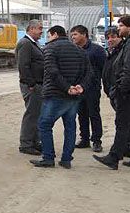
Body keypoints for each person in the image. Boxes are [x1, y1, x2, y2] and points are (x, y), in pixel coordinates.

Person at [94, 15, 130, 170]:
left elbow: (129, 70)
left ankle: (114, 157)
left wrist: (120, 90)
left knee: (123, 124)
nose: (118, 28)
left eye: (120, 26)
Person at [30, 25, 91, 169]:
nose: (48, 38)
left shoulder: (50, 49)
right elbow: (89, 72)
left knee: (44, 125)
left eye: (49, 35)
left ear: (55, 34)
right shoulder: (79, 50)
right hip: (74, 96)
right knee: (70, 126)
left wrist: (66, 87)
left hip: (55, 94)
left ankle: (48, 158)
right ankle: (66, 159)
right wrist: (81, 86)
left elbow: (52, 71)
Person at [70, 25, 107, 152]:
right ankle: (84, 139)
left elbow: (104, 69)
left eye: (75, 34)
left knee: (94, 114)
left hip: (92, 88)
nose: (72, 37)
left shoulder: (97, 50)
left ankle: (96, 141)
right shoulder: (73, 49)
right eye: (72, 34)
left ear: (84, 35)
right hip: (78, 88)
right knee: (81, 114)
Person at [101, 27, 130, 157]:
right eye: (108, 37)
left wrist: (117, 90)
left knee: (124, 122)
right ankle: (126, 147)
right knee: (123, 121)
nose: (110, 40)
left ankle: (127, 148)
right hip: (112, 92)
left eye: (113, 37)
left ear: (121, 37)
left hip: (119, 92)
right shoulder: (111, 51)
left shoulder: (123, 51)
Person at [16, 19, 44, 155]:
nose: (41, 31)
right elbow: (23, 66)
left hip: (37, 84)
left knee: (37, 114)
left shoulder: (34, 44)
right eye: (39, 28)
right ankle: (26, 144)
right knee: (32, 114)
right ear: (31, 29)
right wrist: (31, 84)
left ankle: (34, 142)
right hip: (32, 86)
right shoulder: (25, 44)